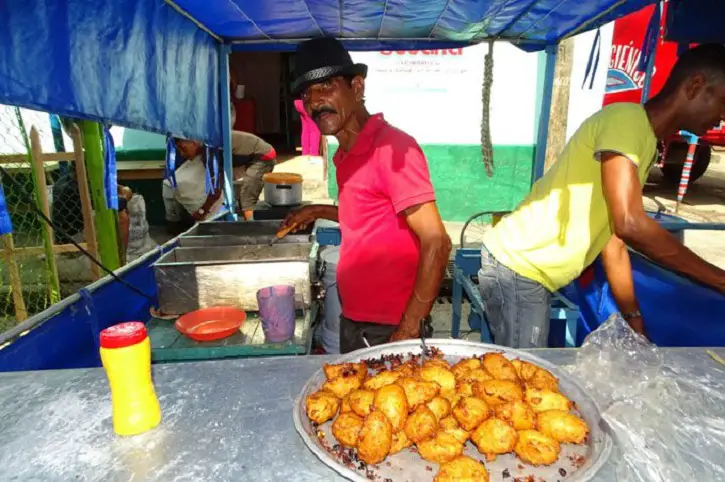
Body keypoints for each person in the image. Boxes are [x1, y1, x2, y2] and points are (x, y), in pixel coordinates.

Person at [478, 43, 725, 348]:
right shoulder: (626, 120)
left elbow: (614, 243)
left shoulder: (644, 142)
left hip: (529, 272)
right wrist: (719, 279)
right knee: (526, 381)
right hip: (519, 268)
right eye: (723, 102)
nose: (721, 118)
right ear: (695, 86)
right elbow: (629, 224)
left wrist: (634, 321)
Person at [282, 38, 452, 353]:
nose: (316, 102)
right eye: (307, 94)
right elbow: (368, 213)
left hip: (390, 327)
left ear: (357, 87)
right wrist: (316, 210)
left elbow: (437, 242)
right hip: (355, 319)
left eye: (326, 86)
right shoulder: (344, 155)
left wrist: (409, 328)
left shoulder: (393, 148)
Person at [163, 137, 225, 235]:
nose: (182, 154)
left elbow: (216, 189)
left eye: (183, 148)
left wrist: (202, 211)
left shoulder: (210, 151)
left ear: (194, 142)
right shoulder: (197, 152)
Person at [230, 130, 276, 220]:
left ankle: (251, 227)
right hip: (249, 155)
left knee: (246, 198)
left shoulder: (212, 145)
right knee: (244, 194)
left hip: (263, 156)